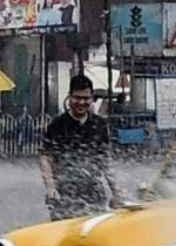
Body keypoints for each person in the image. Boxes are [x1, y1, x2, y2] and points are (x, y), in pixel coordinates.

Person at [40, 74, 125, 221]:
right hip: (65, 194)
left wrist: (116, 192)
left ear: (92, 99)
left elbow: (105, 160)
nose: (81, 102)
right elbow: (46, 158)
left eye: (86, 98)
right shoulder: (57, 125)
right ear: (69, 97)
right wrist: (50, 188)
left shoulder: (99, 125)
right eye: (77, 98)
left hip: (94, 194)